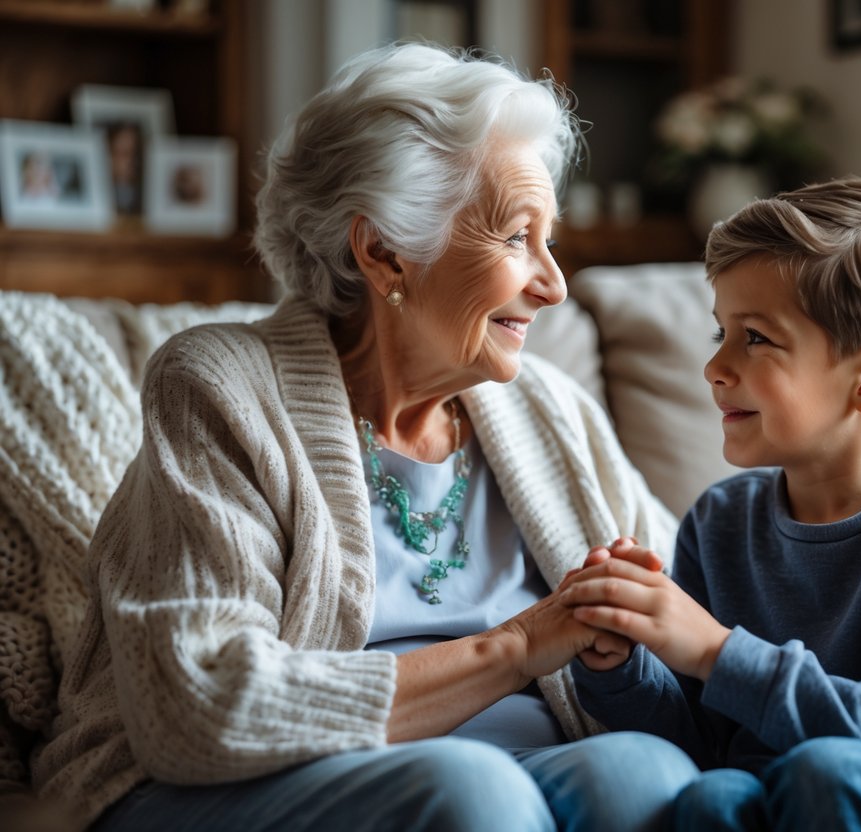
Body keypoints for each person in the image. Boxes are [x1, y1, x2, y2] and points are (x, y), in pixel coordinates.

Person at [31, 42, 698, 831]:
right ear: (384, 251)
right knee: (472, 793)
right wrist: (516, 646)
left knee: (643, 773)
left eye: (548, 242)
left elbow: (688, 613)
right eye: (518, 238)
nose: (552, 283)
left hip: (519, 766)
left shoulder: (549, 408)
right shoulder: (219, 385)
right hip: (241, 780)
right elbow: (203, 704)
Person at [563, 176, 861, 831]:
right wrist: (623, 665)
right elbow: (704, 742)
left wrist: (715, 651)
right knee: (710, 800)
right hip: (773, 792)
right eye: (718, 333)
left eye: (753, 337)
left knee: (824, 772)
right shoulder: (719, 520)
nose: (715, 366)